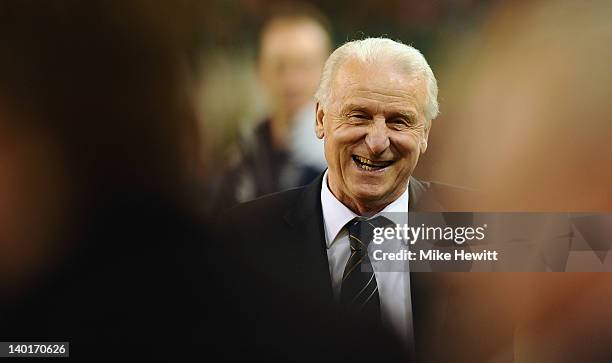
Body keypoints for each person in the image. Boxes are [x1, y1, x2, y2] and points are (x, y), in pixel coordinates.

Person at [221, 37, 473, 361]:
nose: (378, 141)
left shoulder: (481, 224)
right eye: (358, 116)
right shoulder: (243, 238)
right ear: (321, 119)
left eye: (399, 121)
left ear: (424, 133)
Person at [210, 3, 331, 210]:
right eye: (279, 66)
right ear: (259, 70)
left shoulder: (346, 158)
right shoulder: (242, 158)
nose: (292, 81)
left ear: (329, 69)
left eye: (304, 65)